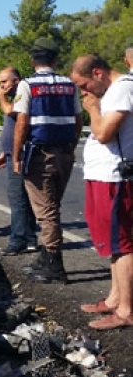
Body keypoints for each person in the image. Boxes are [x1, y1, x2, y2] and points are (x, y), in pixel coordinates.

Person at [12, 37, 83, 284]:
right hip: (64, 152)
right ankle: (44, 258)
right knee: (52, 205)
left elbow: (22, 122)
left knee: (46, 210)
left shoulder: (27, 85)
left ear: (33, 60)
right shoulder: (69, 84)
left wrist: (16, 153)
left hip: (40, 154)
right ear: (54, 59)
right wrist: (71, 146)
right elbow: (78, 120)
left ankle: (54, 264)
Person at [70, 54, 133, 329]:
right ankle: (114, 299)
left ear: (98, 73)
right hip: (101, 176)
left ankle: (127, 310)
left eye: (84, 85)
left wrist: (93, 109)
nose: (83, 92)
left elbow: (105, 133)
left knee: (123, 244)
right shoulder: (111, 91)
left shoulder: (123, 88)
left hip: (115, 177)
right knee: (112, 243)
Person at [0, 67, 39, 256]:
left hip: (21, 154)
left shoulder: (22, 92)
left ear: (16, 80)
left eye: (4, 82)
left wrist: (0, 98)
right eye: (0, 83)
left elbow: (11, 112)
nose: (1, 86)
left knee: (17, 197)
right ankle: (30, 239)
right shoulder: (18, 94)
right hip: (14, 152)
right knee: (23, 197)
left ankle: (18, 240)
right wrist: (5, 151)